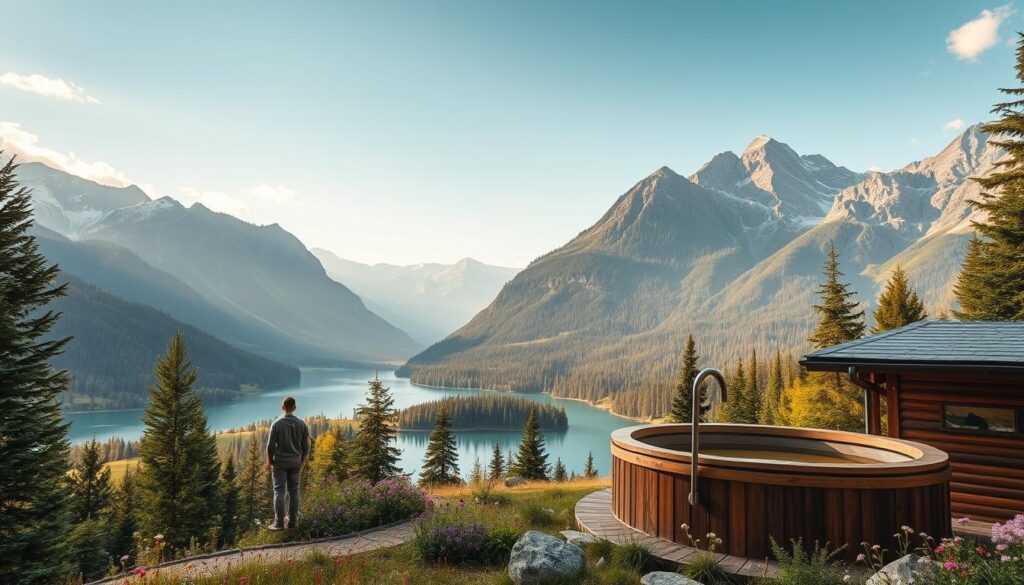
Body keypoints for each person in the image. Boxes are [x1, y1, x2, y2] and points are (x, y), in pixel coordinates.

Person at [266, 396, 310, 530]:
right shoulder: (302, 424)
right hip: (295, 462)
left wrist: (270, 460)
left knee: (279, 491)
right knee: (294, 491)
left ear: (283, 407)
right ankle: (293, 522)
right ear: (295, 408)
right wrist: (301, 460)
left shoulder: (276, 424)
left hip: (280, 462)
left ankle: (279, 524)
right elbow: (306, 447)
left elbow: (270, 446)